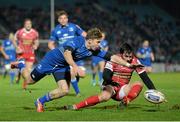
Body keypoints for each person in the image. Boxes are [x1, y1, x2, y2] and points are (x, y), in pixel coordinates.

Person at [11, 28, 141, 112]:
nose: (100, 44)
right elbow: (67, 53)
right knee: (29, 81)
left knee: (64, 90)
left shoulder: (94, 50)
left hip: (62, 66)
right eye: (98, 41)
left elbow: (112, 57)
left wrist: (128, 65)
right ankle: (21, 64)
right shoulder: (77, 41)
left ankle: (39, 101)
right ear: (89, 41)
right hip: (50, 61)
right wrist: (75, 66)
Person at [65, 43, 156, 110]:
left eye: (130, 56)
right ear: (121, 55)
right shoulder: (114, 59)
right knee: (104, 97)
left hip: (123, 89)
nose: (129, 59)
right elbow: (105, 75)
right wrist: (110, 83)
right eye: (126, 56)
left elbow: (145, 77)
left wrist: (154, 91)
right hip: (110, 85)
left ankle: (125, 101)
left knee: (139, 83)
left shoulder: (135, 61)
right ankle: (76, 106)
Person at [48, 10, 87, 96]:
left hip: (77, 55)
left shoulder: (74, 27)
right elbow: (50, 44)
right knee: (72, 72)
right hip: (66, 56)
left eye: (65, 18)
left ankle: (73, 79)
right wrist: (56, 52)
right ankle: (78, 92)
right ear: (58, 20)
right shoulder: (55, 30)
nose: (63, 20)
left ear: (67, 19)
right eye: (61, 18)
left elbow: (85, 35)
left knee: (83, 74)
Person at [12, 18, 39, 89]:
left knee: (28, 69)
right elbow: (14, 40)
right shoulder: (19, 32)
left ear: (31, 24)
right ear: (24, 25)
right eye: (27, 24)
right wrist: (17, 48)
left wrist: (36, 45)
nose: (28, 25)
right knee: (23, 68)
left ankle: (24, 85)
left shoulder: (34, 32)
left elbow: (36, 41)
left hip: (30, 53)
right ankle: (18, 74)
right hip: (21, 53)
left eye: (29, 24)